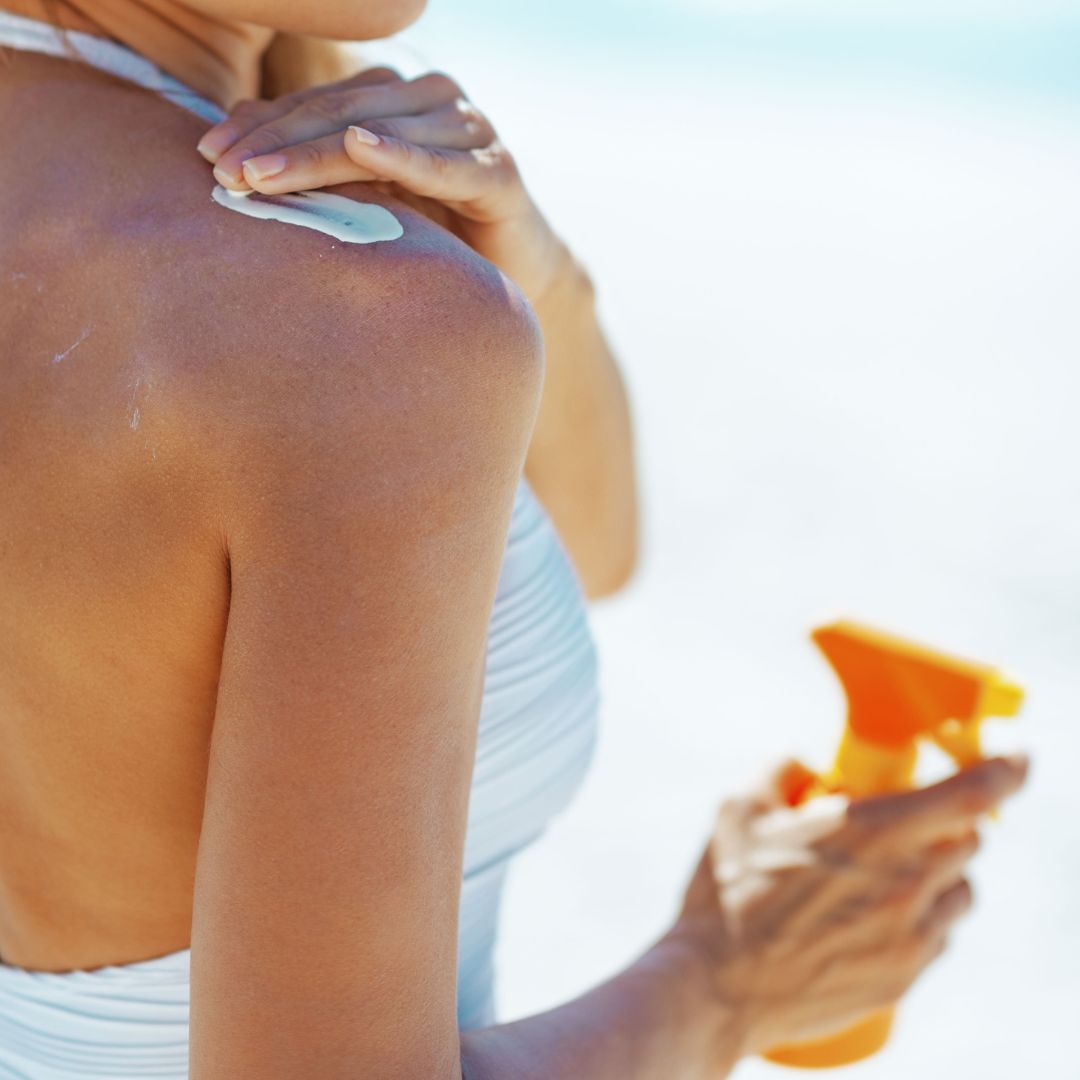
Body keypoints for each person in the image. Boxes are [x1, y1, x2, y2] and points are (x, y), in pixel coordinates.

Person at [0, 2, 1029, 1078]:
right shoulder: (348, 317)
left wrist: (525, 267)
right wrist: (727, 978)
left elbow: (594, 546)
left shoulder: (275, 273)